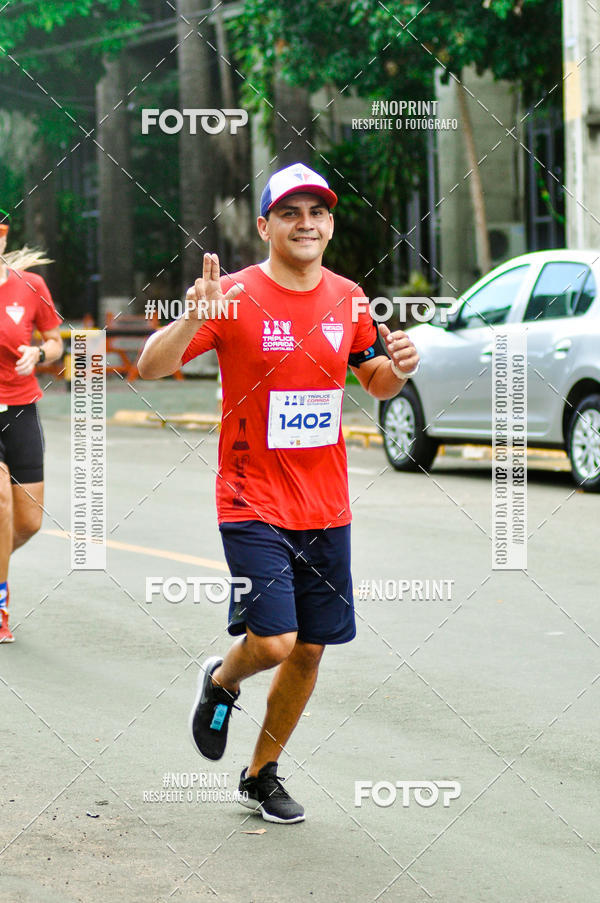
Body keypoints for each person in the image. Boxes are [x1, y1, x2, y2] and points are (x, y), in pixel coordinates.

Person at [138, 163, 419, 823]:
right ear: (264, 225)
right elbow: (150, 365)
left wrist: (399, 369)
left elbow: (373, 378)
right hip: (250, 496)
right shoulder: (231, 296)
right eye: (289, 213)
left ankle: (261, 773)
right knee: (274, 642)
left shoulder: (349, 297)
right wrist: (190, 319)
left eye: (316, 212)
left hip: (327, 504)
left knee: (311, 647)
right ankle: (222, 679)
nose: (306, 224)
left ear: (329, 223)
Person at [0, 211, 63, 643]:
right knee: (0, 505)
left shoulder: (31, 285)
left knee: (27, 522)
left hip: (22, 408)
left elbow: (56, 343)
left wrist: (39, 356)